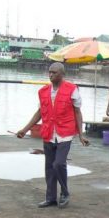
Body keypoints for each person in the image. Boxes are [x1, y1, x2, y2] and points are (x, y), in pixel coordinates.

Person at [17, 62, 89, 208]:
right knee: (49, 167)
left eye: (54, 73)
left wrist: (81, 135)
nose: (50, 75)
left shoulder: (72, 90)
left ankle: (64, 192)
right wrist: (25, 129)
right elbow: (39, 113)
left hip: (65, 132)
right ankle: (50, 198)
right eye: (49, 72)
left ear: (62, 74)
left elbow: (77, 112)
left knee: (59, 163)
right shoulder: (43, 91)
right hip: (49, 132)